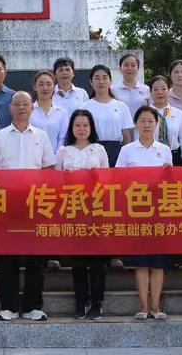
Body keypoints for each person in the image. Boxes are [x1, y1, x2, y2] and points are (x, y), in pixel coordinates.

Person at [0, 92, 57, 321]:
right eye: (17, 104)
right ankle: (9, 306)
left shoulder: (42, 136)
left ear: (32, 108)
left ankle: (33, 306)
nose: (22, 108)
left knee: (35, 258)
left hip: (35, 203)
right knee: (7, 258)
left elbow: (48, 169)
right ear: (10, 108)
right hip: (7, 204)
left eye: (26, 104)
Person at [116, 105, 173, 320]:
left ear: (156, 124)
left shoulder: (164, 150)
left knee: (158, 262)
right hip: (136, 211)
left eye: (150, 121)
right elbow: (117, 179)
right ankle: (143, 306)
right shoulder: (127, 150)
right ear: (136, 124)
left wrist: (168, 173)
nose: (146, 125)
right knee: (140, 261)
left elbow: (171, 182)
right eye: (142, 121)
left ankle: (156, 307)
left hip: (159, 211)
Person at [55, 109, 109, 319]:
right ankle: (80, 301)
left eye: (86, 125)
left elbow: (108, 180)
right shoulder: (63, 151)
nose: (82, 129)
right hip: (72, 210)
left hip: (95, 210)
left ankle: (97, 302)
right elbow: (55, 182)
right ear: (71, 128)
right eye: (77, 125)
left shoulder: (99, 149)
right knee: (77, 261)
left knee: (96, 260)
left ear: (91, 127)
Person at [83, 64, 134, 166]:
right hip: (92, 151)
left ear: (110, 81)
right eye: (97, 78)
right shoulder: (84, 107)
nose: (101, 82)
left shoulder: (121, 106)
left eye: (104, 78)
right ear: (91, 82)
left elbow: (126, 135)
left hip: (116, 151)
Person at [147, 74, 182, 165]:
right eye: (155, 89)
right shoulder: (145, 114)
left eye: (163, 89)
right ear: (150, 92)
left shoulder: (178, 113)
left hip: (174, 156)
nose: (160, 92)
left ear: (169, 90)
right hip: (150, 155)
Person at [31, 70, 70, 150]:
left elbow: (63, 139)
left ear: (54, 87)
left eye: (49, 84)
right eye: (41, 84)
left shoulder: (62, 113)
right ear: (35, 87)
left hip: (56, 156)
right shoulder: (28, 111)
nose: (45, 88)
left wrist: (56, 156)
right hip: (32, 156)